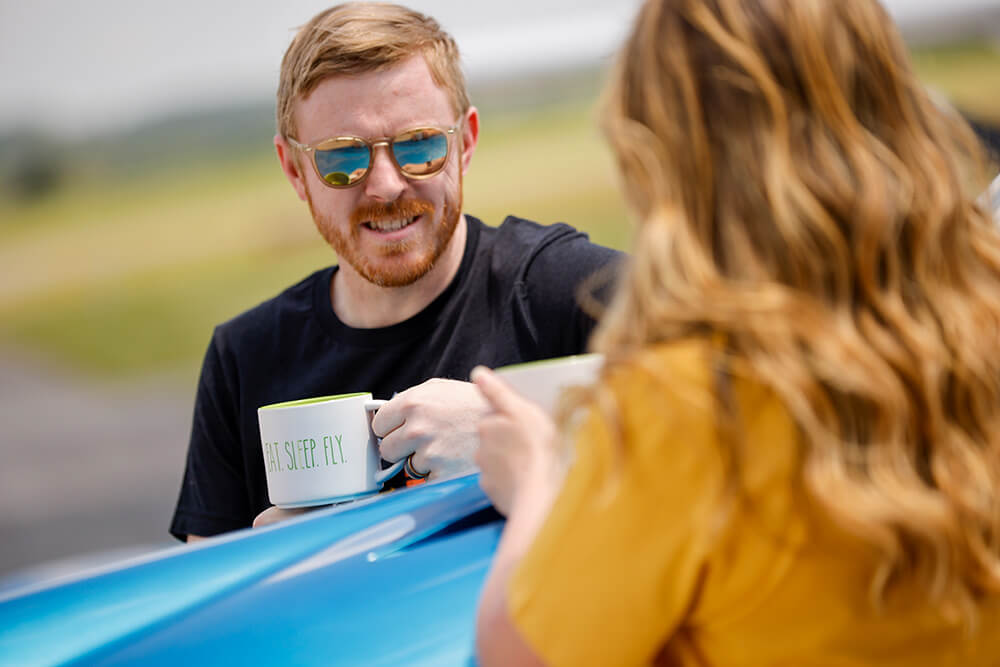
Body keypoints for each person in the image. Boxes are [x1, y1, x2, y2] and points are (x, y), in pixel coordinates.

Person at [472, 0, 1000, 664]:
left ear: (663, 149)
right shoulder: (978, 316)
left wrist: (535, 480)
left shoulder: (686, 404)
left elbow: (519, 653)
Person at [169, 2, 622, 542]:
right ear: (294, 170)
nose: (385, 186)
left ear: (465, 143)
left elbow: (707, 456)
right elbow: (212, 584)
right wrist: (281, 554)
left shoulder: (578, 291)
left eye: (419, 145)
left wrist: (508, 431)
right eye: (342, 159)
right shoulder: (244, 360)